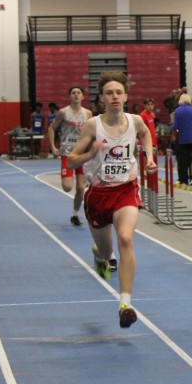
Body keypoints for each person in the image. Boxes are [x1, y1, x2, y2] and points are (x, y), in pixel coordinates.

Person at [67, 72, 156, 329]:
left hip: (126, 190)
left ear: (126, 96)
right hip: (98, 195)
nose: (114, 97)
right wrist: (90, 154)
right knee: (106, 252)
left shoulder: (135, 120)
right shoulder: (92, 126)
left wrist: (149, 157)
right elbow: (71, 160)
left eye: (119, 92)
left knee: (125, 238)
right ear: (102, 98)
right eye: (109, 93)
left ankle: (125, 304)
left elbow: (145, 134)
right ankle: (99, 255)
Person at [48, 86, 93, 227]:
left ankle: (74, 215)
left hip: (81, 153)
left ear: (82, 97)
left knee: (80, 188)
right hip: (67, 153)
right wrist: (53, 147)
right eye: (73, 93)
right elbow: (51, 128)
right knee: (68, 187)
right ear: (70, 96)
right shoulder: (63, 112)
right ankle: (67, 178)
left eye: (78, 93)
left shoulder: (88, 114)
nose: (76, 95)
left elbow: (92, 133)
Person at [172, 92, 192, 186]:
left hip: (182, 140)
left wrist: (175, 131)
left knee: (183, 161)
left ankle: (184, 180)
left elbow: (175, 126)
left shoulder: (177, 111)